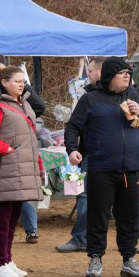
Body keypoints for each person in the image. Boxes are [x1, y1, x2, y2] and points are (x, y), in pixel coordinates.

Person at [65, 58, 139, 277]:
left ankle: (128, 260)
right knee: (99, 215)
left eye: (129, 73)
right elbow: (73, 126)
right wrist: (72, 149)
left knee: (129, 217)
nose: (127, 76)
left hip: (130, 169)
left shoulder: (134, 96)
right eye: (122, 73)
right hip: (101, 168)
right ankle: (95, 258)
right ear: (109, 76)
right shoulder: (90, 99)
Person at [0, 66, 42, 277]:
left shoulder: (22, 104)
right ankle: (1, 263)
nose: (22, 84)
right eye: (17, 81)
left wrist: (37, 164)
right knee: (2, 218)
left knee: (13, 218)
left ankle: (7, 259)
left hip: (20, 169)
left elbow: (30, 138)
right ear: (4, 82)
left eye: (23, 81)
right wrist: (7, 149)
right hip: (4, 169)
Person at [56, 57, 102, 253]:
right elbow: (74, 126)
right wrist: (73, 148)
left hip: (104, 157)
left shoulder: (124, 94)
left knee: (123, 198)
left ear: (101, 71)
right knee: (82, 195)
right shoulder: (88, 95)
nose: (87, 75)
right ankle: (81, 238)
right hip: (88, 155)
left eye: (90, 71)